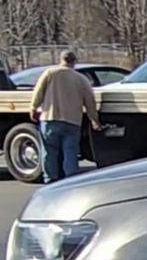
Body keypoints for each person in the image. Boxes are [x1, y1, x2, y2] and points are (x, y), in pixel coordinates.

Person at [29, 50, 100, 183]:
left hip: (50, 118)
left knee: (49, 151)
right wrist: (94, 119)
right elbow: (90, 101)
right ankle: (70, 179)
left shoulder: (50, 73)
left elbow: (38, 92)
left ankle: (49, 178)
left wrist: (33, 108)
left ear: (61, 60)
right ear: (74, 62)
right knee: (70, 152)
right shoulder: (81, 79)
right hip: (72, 121)